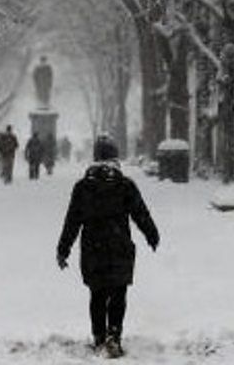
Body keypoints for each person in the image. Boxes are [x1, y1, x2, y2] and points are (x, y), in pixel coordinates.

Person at [56, 135, 160, 358]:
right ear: (115, 158)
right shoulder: (125, 186)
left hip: (93, 249)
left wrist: (63, 249)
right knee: (118, 294)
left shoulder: (83, 187)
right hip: (119, 247)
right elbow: (141, 214)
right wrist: (152, 235)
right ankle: (114, 336)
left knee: (97, 295)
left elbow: (72, 221)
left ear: (95, 157)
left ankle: (99, 337)